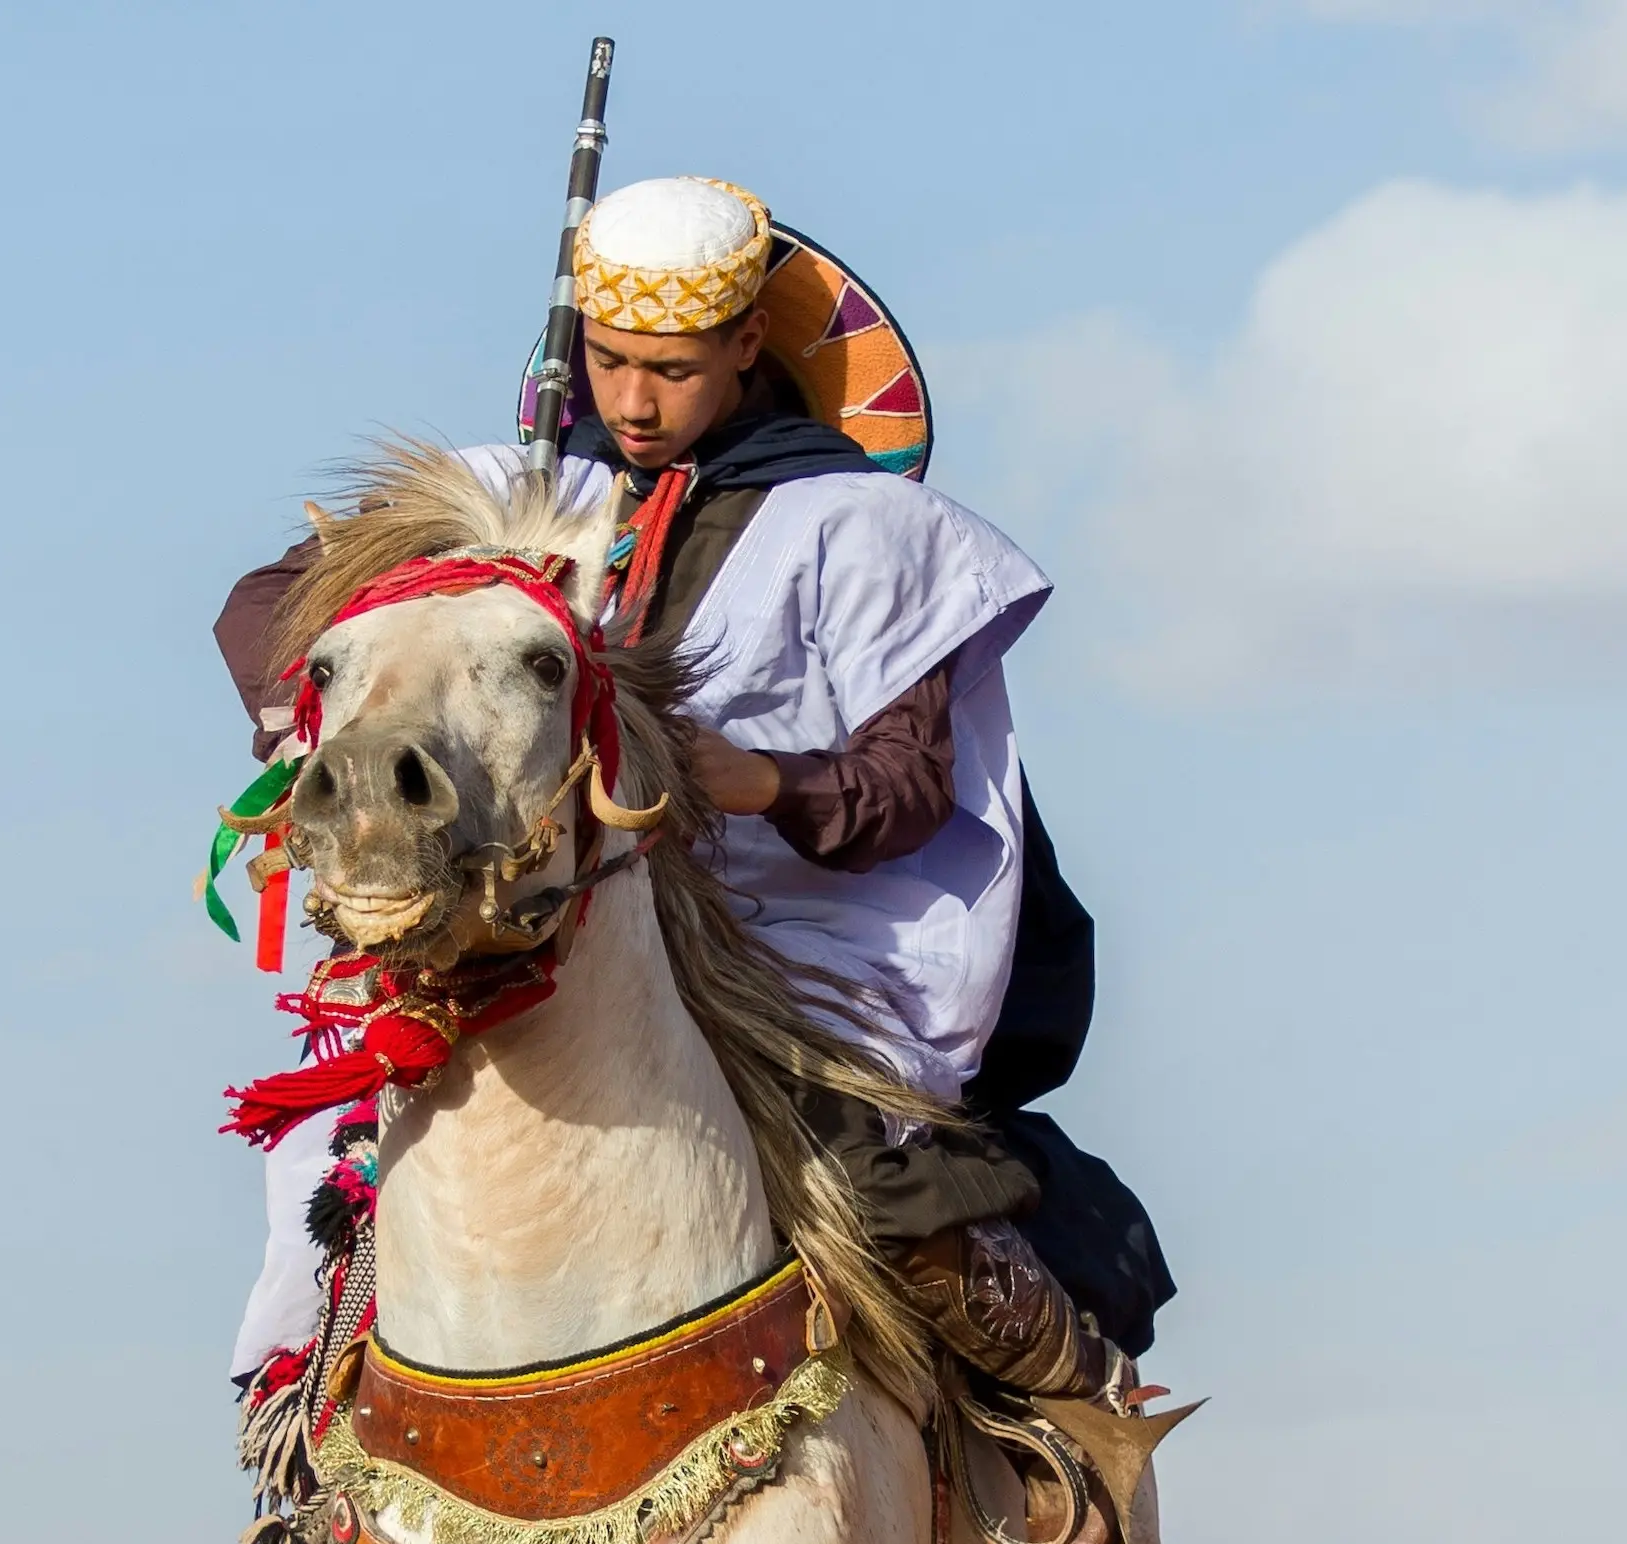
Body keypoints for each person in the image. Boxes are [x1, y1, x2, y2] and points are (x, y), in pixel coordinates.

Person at [214, 176, 1172, 1411]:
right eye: (607, 363)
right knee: (328, 1176)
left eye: (669, 367)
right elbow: (264, 607)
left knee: (880, 1202)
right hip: (523, 908)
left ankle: (1060, 1450)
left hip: (795, 950)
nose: (631, 401)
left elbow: (912, 788)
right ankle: (321, 1462)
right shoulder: (498, 499)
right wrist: (340, 708)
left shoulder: (867, 530)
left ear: (745, 346)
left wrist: (757, 779)